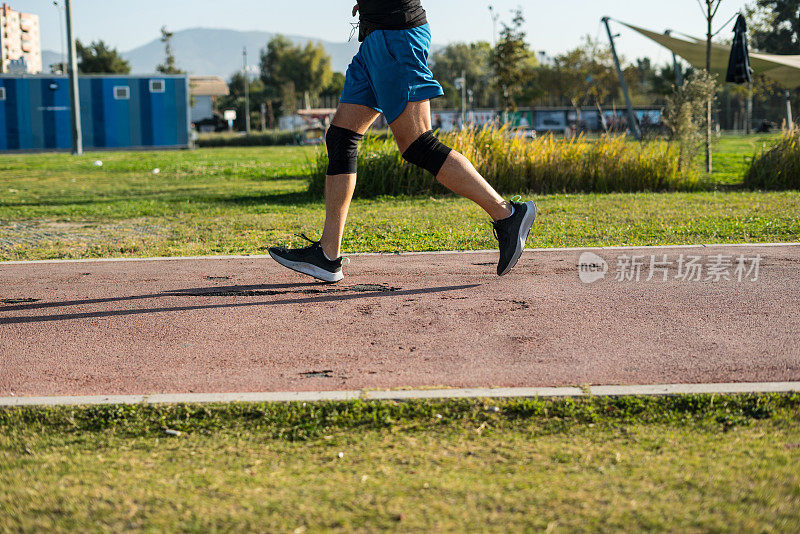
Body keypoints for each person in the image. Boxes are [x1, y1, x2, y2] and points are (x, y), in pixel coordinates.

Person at [269, 0, 537, 282]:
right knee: (340, 138)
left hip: (396, 35)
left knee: (419, 144)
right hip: (376, 39)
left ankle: (506, 214)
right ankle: (327, 254)